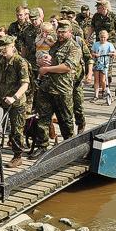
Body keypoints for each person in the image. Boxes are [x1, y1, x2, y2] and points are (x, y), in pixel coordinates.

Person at [30, 21, 82, 157]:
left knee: (66, 120)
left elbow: (67, 66)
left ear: (70, 32)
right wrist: (43, 61)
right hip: (46, 87)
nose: (60, 34)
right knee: (43, 119)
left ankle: (68, 146)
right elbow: (52, 60)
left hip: (62, 89)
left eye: (63, 32)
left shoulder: (74, 47)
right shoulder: (55, 45)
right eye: (59, 31)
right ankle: (42, 146)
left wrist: (46, 69)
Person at [0, 35, 30, 167]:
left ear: (12, 47)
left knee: (16, 130)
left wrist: (14, 97)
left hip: (16, 102)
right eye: (1, 50)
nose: (3, 53)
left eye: (5, 50)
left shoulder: (20, 62)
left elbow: (25, 84)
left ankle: (17, 156)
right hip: (1, 99)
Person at [90, 30, 116, 102]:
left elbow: (115, 53)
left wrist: (111, 54)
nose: (103, 39)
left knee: (102, 79)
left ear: (107, 37)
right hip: (97, 63)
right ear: (99, 37)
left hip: (105, 63)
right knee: (96, 80)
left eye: (104, 37)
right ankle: (96, 95)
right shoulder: (96, 44)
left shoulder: (109, 44)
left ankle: (104, 91)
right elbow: (92, 52)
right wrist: (95, 55)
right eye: (101, 37)